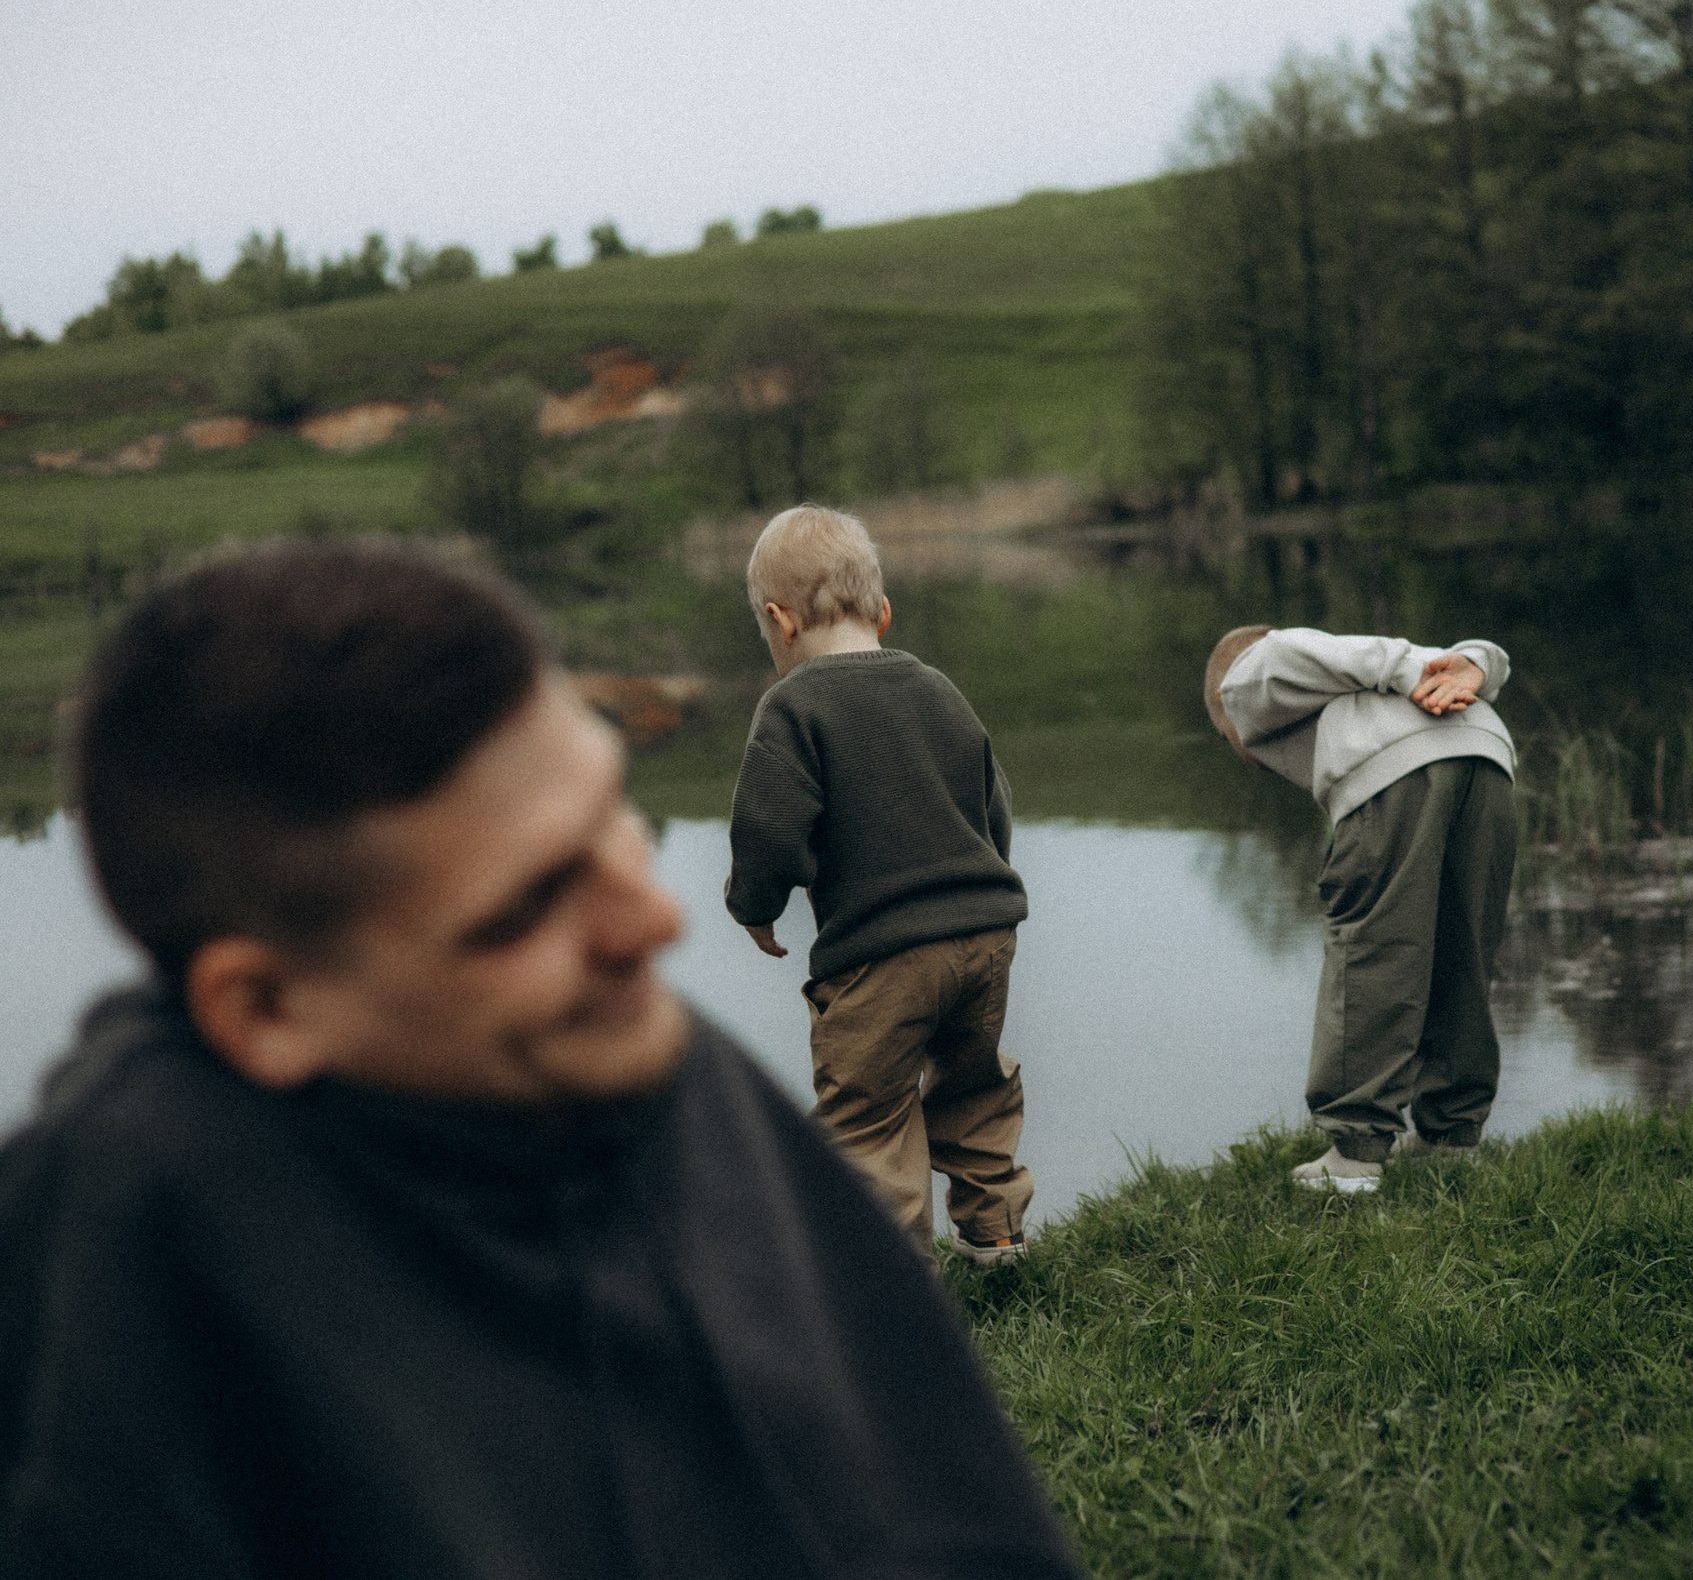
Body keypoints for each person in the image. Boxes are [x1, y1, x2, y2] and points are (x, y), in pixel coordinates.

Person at [0, 541, 1083, 1580]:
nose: (651, 921)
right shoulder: (115, 1327)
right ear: (269, 1007)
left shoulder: (622, 1045)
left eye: (616, 818)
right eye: (524, 907)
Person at [725, 505, 1034, 1265]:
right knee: (976, 1086)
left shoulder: (792, 707)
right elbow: (993, 804)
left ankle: (895, 1285)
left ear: (779, 620)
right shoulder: (938, 687)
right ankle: (996, 1235)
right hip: (985, 935)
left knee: (867, 1118)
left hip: (881, 956)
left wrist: (755, 907)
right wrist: (979, 894)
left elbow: (769, 828)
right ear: (883, 611)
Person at [1205, 623, 1518, 1194]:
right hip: (1488, 759)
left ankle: (1355, 1153)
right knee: (1462, 953)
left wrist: (1409, 671)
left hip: (1404, 774)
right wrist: (1474, 661)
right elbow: (1483, 657)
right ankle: (1451, 1135)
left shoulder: (1243, 681)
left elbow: (1278, 651)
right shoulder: (1356, 690)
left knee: (1374, 951)